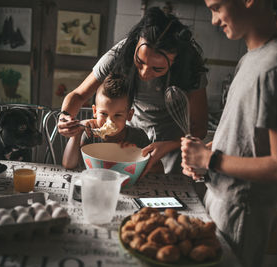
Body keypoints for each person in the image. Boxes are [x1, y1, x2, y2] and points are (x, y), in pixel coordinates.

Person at [180, 0, 277, 266]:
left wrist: (209, 160)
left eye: (217, 7)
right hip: (222, 200)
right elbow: (246, 138)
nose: (214, 20)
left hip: (242, 214)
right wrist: (205, 156)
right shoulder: (252, 58)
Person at [58, 7, 208, 175]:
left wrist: (169, 145)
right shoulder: (121, 53)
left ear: (176, 60)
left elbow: (199, 127)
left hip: (175, 142)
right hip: (134, 141)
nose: (144, 73)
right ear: (136, 42)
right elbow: (78, 95)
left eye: (157, 69)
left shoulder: (190, 65)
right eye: (140, 61)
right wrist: (65, 116)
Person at [62, 73, 151, 170]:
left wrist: (136, 155)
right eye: (104, 114)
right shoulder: (88, 134)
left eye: (117, 115)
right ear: (95, 112)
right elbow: (68, 164)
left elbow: (158, 169)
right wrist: (77, 134)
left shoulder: (138, 137)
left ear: (129, 115)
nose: (110, 121)